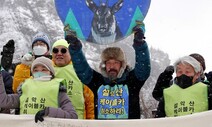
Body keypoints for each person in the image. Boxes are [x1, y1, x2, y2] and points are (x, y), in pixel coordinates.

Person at [66, 25, 151, 119]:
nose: (112, 66)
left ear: (122, 64)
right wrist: (75, 47)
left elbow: (143, 67)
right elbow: (82, 68)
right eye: (108, 63)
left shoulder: (132, 80)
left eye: (115, 62)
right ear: (104, 65)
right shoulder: (97, 81)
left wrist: (139, 44)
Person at [0, 57, 78, 122]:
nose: (39, 72)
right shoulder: (25, 90)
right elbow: (3, 101)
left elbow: (72, 116)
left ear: (51, 72)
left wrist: (48, 112)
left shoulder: (58, 91)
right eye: (35, 70)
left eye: (44, 69)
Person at [51, 39, 94, 119]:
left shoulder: (80, 72)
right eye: (55, 50)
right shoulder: (45, 70)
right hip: (51, 121)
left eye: (63, 50)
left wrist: (90, 122)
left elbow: (90, 101)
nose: (59, 53)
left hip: (77, 122)